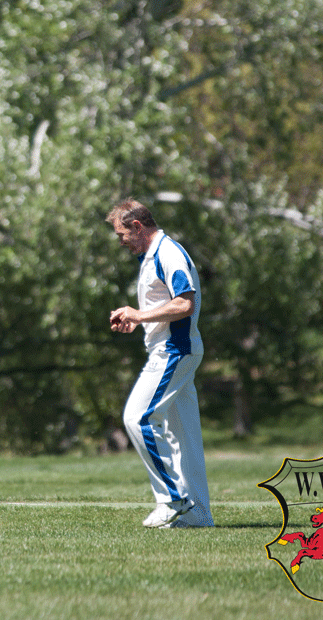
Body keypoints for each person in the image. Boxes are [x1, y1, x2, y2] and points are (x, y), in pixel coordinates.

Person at [106, 199, 214, 528]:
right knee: (183, 437)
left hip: (174, 350)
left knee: (138, 418)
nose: (121, 242)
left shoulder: (168, 253)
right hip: (172, 348)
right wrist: (139, 321)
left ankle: (172, 498)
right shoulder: (154, 255)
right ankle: (197, 515)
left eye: (122, 234)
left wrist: (139, 315)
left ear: (138, 226)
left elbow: (185, 303)